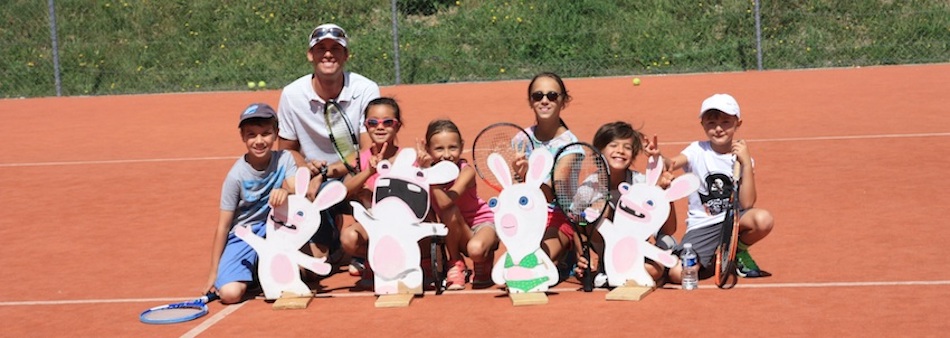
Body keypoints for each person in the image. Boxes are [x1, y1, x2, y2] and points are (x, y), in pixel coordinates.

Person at [276, 23, 381, 267]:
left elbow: (367, 152)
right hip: (314, 176)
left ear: (346, 55)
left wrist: (323, 174)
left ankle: (358, 242)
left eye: (336, 48)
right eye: (321, 48)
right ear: (310, 55)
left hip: (353, 173)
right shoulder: (292, 94)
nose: (328, 54)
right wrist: (306, 172)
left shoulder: (365, 89)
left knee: (372, 181)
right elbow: (287, 150)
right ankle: (321, 244)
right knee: (288, 184)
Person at [662, 93, 774, 282]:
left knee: (763, 219)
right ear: (703, 125)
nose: (718, 128)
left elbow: (747, 202)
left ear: (738, 123)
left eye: (726, 122)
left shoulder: (743, 157)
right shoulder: (697, 150)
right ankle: (714, 257)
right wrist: (658, 158)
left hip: (733, 222)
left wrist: (746, 163)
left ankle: (737, 251)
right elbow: (671, 163)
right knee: (677, 274)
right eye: (711, 123)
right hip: (702, 226)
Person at [204, 103, 298, 304]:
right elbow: (223, 226)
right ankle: (254, 272)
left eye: (265, 134)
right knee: (230, 294)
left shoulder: (285, 159)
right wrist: (214, 271)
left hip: (277, 230)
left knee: (301, 274)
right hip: (244, 235)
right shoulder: (235, 177)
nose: (259, 141)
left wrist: (286, 190)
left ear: (276, 134)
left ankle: (261, 268)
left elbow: (296, 188)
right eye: (252, 135)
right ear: (243, 137)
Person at [572, 121, 677, 286]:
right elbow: (575, 225)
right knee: (600, 208)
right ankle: (605, 266)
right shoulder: (588, 188)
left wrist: (664, 194)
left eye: (627, 147)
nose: (620, 151)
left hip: (636, 249)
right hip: (604, 250)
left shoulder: (640, 183)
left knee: (654, 270)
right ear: (598, 151)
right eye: (613, 145)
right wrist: (583, 253)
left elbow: (669, 230)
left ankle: (612, 274)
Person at [512, 72, 580, 280]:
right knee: (513, 265)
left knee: (533, 264)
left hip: (560, 217)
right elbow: (515, 190)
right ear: (531, 101)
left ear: (563, 101)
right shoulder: (520, 140)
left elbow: (554, 195)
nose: (544, 100)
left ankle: (565, 251)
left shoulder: (571, 145)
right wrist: (518, 179)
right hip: (528, 215)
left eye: (552, 96)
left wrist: (529, 177)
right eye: (538, 96)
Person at [417, 119, 499, 290]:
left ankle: (484, 255)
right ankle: (456, 263)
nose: (447, 155)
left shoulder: (466, 171)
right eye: (439, 148)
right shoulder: (421, 170)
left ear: (462, 146)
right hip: (453, 230)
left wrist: (429, 175)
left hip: (480, 225)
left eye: (452, 147)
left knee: (474, 248)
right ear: (427, 149)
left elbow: (444, 202)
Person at [338, 97, 404, 287]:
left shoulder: (407, 157)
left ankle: (420, 262)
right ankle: (370, 259)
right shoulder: (360, 159)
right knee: (349, 237)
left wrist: (373, 193)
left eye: (388, 122)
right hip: (371, 226)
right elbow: (344, 191)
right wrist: (368, 172)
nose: (380, 127)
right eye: (373, 123)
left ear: (398, 126)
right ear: (366, 127)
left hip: (401, 224)